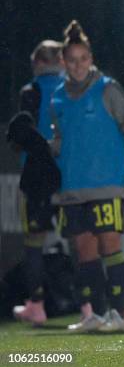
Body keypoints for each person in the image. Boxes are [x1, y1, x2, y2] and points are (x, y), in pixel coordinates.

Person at [49, 20, 124, 332]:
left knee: (110, 246)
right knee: (84, 252)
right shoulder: (57, 98)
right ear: (62, 62)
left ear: (90, 59)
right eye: (72, 60)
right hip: (73, 187)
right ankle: (94, 315)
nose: (78, 65)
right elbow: (59, 141)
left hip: (107, 183)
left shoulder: (107, 89)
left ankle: (119, 315)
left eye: (83, 59)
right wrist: (42, 148)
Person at [10, 40, 66, 326]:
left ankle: (37, 304)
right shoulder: (73, 89)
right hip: (70, 175)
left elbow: (22, 134)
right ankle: (91, 304)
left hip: (38, 178)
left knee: (34, 244)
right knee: (83, 240)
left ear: (38, 63)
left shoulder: (30, 93)